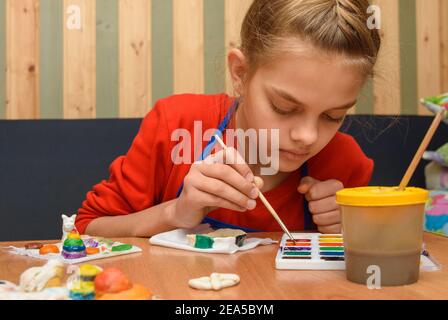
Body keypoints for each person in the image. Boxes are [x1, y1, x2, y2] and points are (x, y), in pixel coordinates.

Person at [75, 0, 380, 237]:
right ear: (240, 73)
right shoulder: (176, 124)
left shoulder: (345, 164)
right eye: (284, 108)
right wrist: (175, 214)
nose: (308, 136)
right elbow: (86, 230)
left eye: (333, 115)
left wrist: (348, 232)